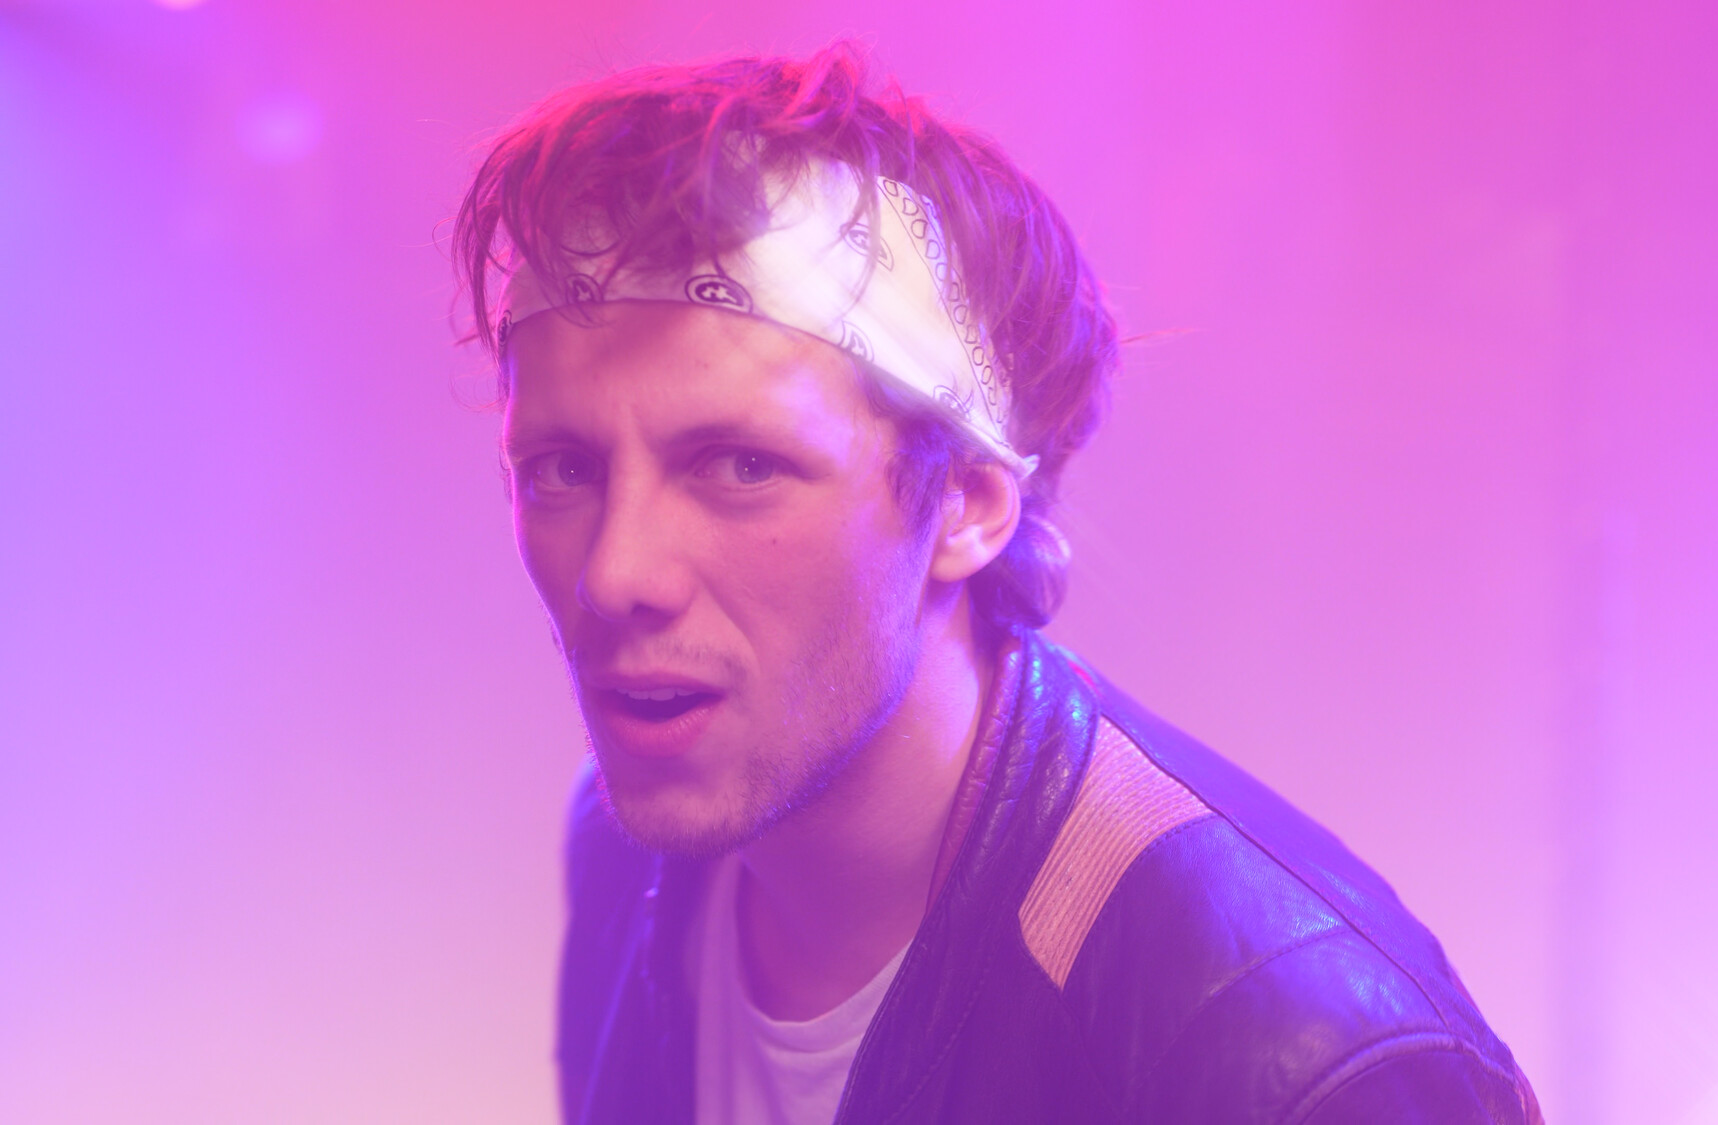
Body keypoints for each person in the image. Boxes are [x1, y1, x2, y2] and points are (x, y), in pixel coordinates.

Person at [453, 43, 1541, 1125]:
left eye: (740, 466)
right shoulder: (633, 845)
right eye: (561, 470)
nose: (615, 574)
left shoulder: (1296, 1060)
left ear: (967, 504)